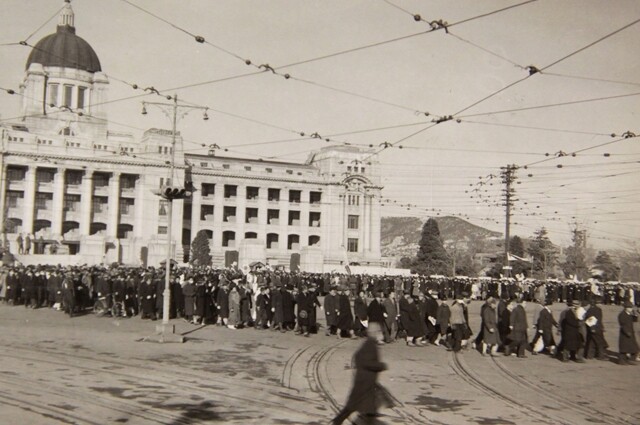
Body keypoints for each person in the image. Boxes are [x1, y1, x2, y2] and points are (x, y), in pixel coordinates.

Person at [332, 322, 392, 424]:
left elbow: (357, 356)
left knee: (358, 407)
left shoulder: (369, 343)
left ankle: (337, 421)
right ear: (375, 333)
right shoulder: (370, 345)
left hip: (364, 382)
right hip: (364, 384)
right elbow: (365, 362)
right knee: (361, 409)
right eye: (380, 332)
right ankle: (337, 422)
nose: (382, 334)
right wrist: (380, 365)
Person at [618, 301, 638, 365]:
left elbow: (635, 320)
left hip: (631, 333)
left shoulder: (629, 314)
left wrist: (635, 314)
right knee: (624, 349)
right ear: (626, 308)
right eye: (630, 308)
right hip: (625, 334)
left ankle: (631, 359)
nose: (631, 309)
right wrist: (627, 332)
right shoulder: (622, 314)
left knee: (635, 348)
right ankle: (622, 361)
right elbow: (623, 324)